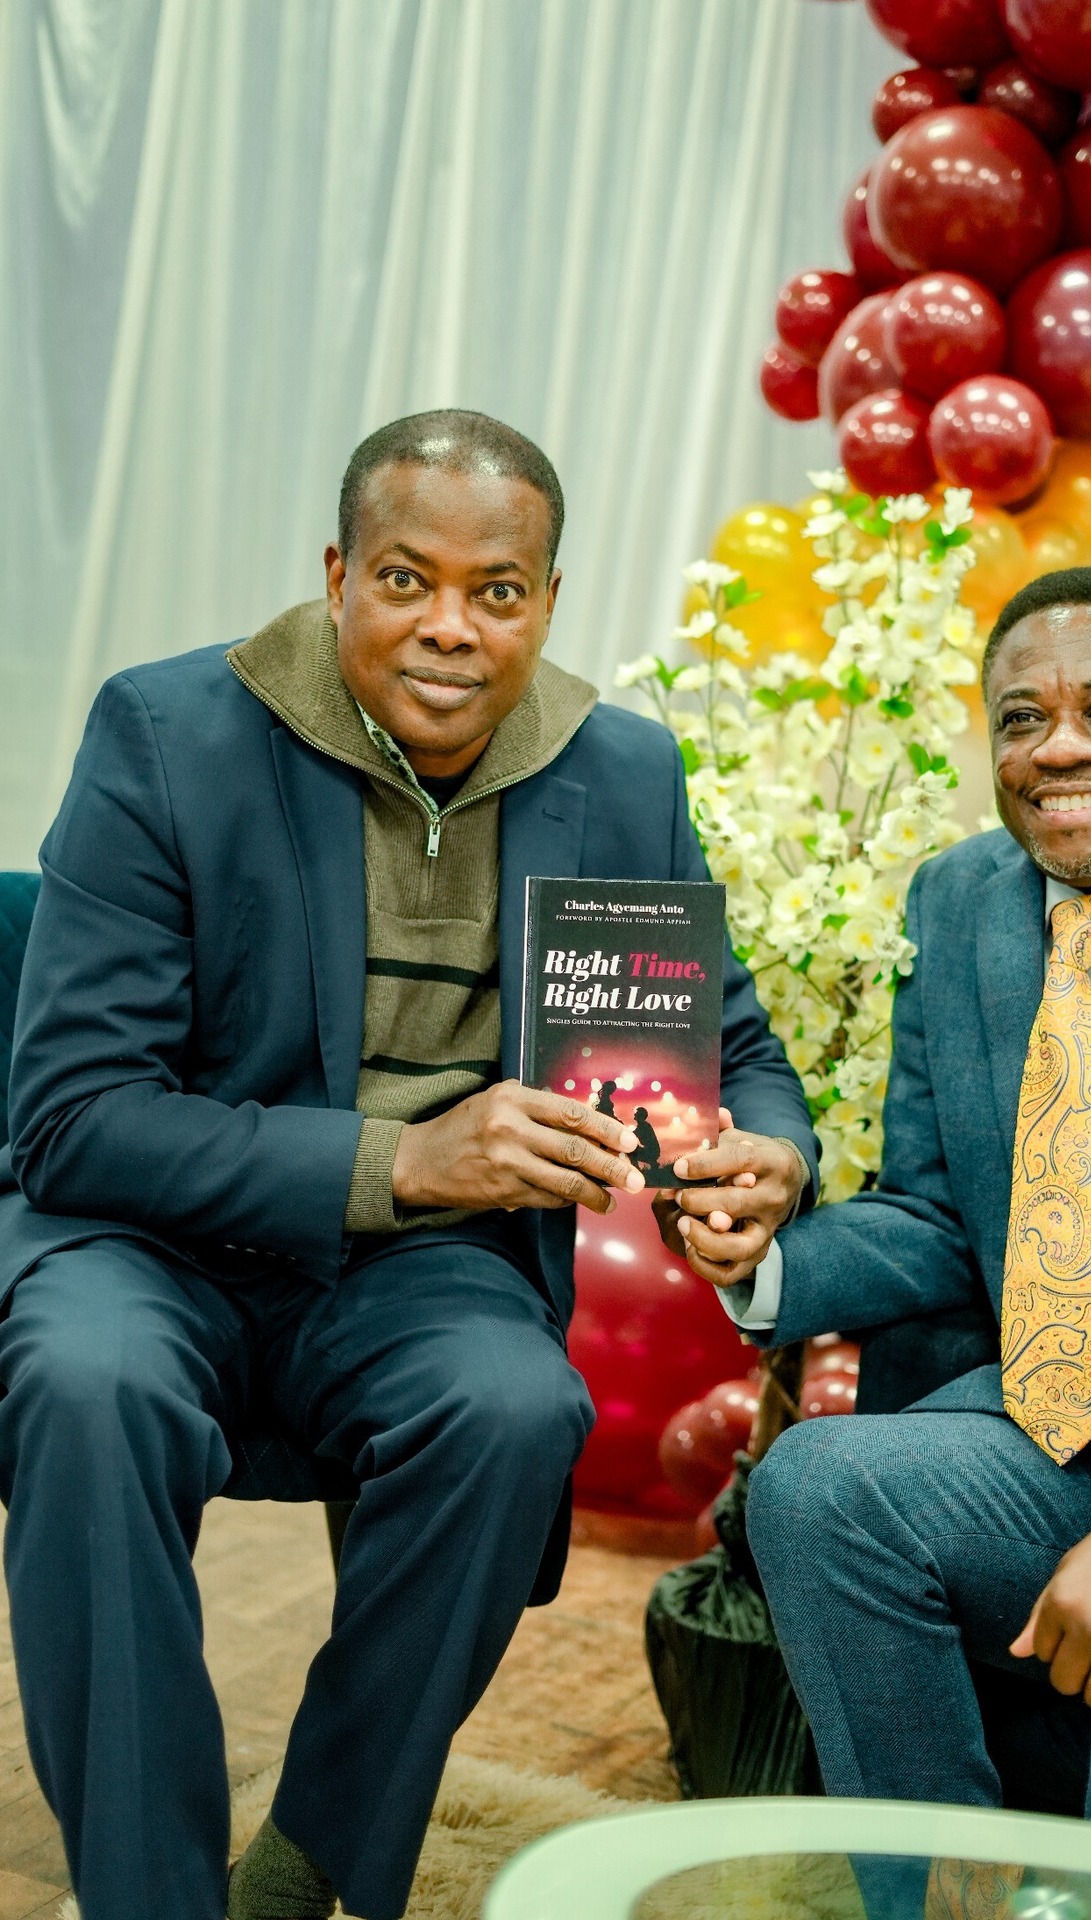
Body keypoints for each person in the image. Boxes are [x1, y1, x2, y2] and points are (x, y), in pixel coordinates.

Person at [0, 409, 817, 1920]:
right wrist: (407, 1157)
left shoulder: (619, 769)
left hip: (423, 1271)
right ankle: (145, 1895)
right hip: (142, 1241)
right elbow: (72, 1117)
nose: (451, 625)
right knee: (85, 1379)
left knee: (515, 1406)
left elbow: (736, 1038)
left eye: (496, 590)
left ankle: (305, 1865)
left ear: (548, 601)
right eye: (405, 578)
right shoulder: (167, 733)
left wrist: (772, 1146)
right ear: (337, 576)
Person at [670, 566, 1091, 1840]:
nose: (1060, 747)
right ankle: (943, 1890)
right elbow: (939, 1215)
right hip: (1069, 1442)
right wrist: (762, 1254)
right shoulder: (961, 904)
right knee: (814, 1488)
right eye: (1021, 717)